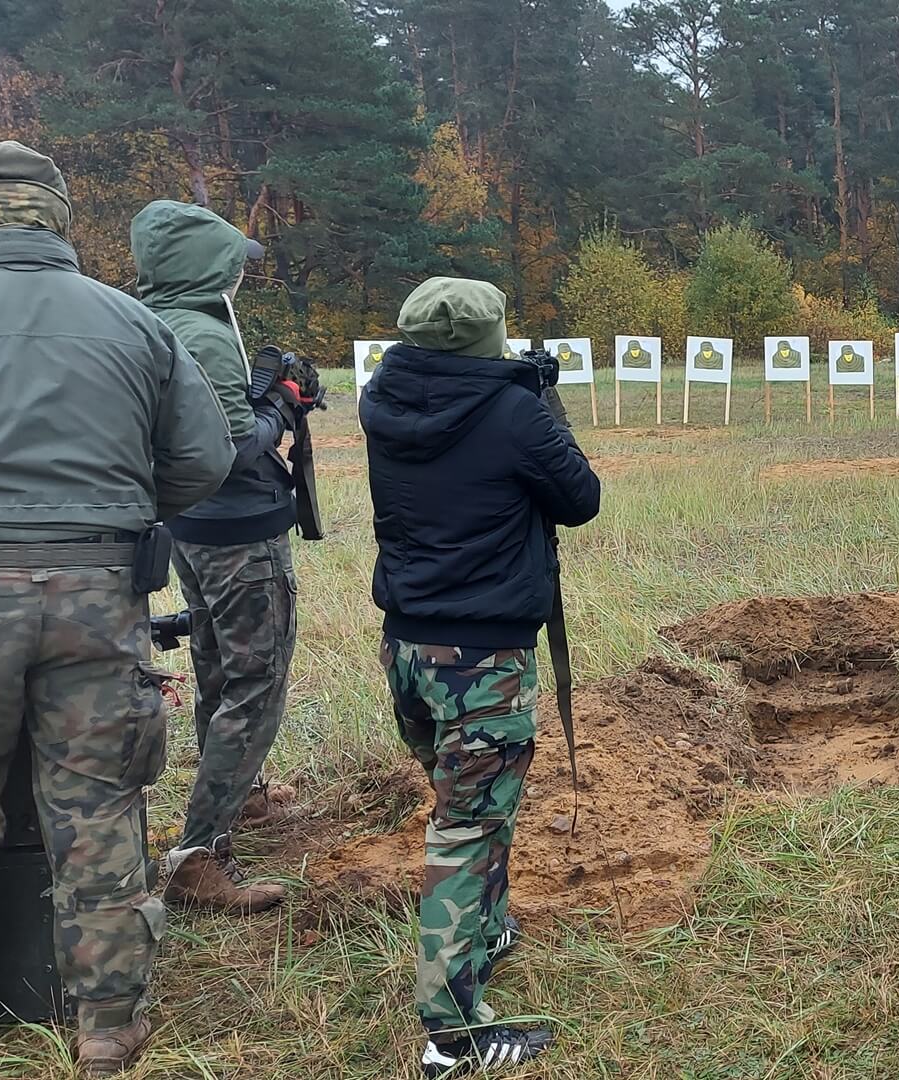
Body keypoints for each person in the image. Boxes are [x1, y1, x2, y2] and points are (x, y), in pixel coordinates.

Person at [0, 142, 234, 1077]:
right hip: (98, 593)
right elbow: (204, 460)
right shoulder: (135, 325)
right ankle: (105, 1026)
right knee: (97, 809)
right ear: (58, 217)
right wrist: (113, 509)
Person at [360, 278, 600, 1077]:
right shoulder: (513, 412)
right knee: (464, 828)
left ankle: (487, 931)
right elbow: (581, 498)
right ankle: (452, 1037)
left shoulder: (382, 400)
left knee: (465, 805)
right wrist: (541, 399)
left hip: (408, 650)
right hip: (484, 661)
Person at [130, 200, 308, 915]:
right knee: (254, 685)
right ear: (207, 264)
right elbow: (231, 450)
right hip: (237, 528)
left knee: (218, 668)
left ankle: (243, 797)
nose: (241, 272)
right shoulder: (201, 331)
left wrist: (266, 399)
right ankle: (199, 855)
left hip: (193, 529)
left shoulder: (154, 321)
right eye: (233, 259)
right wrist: (282, 406)